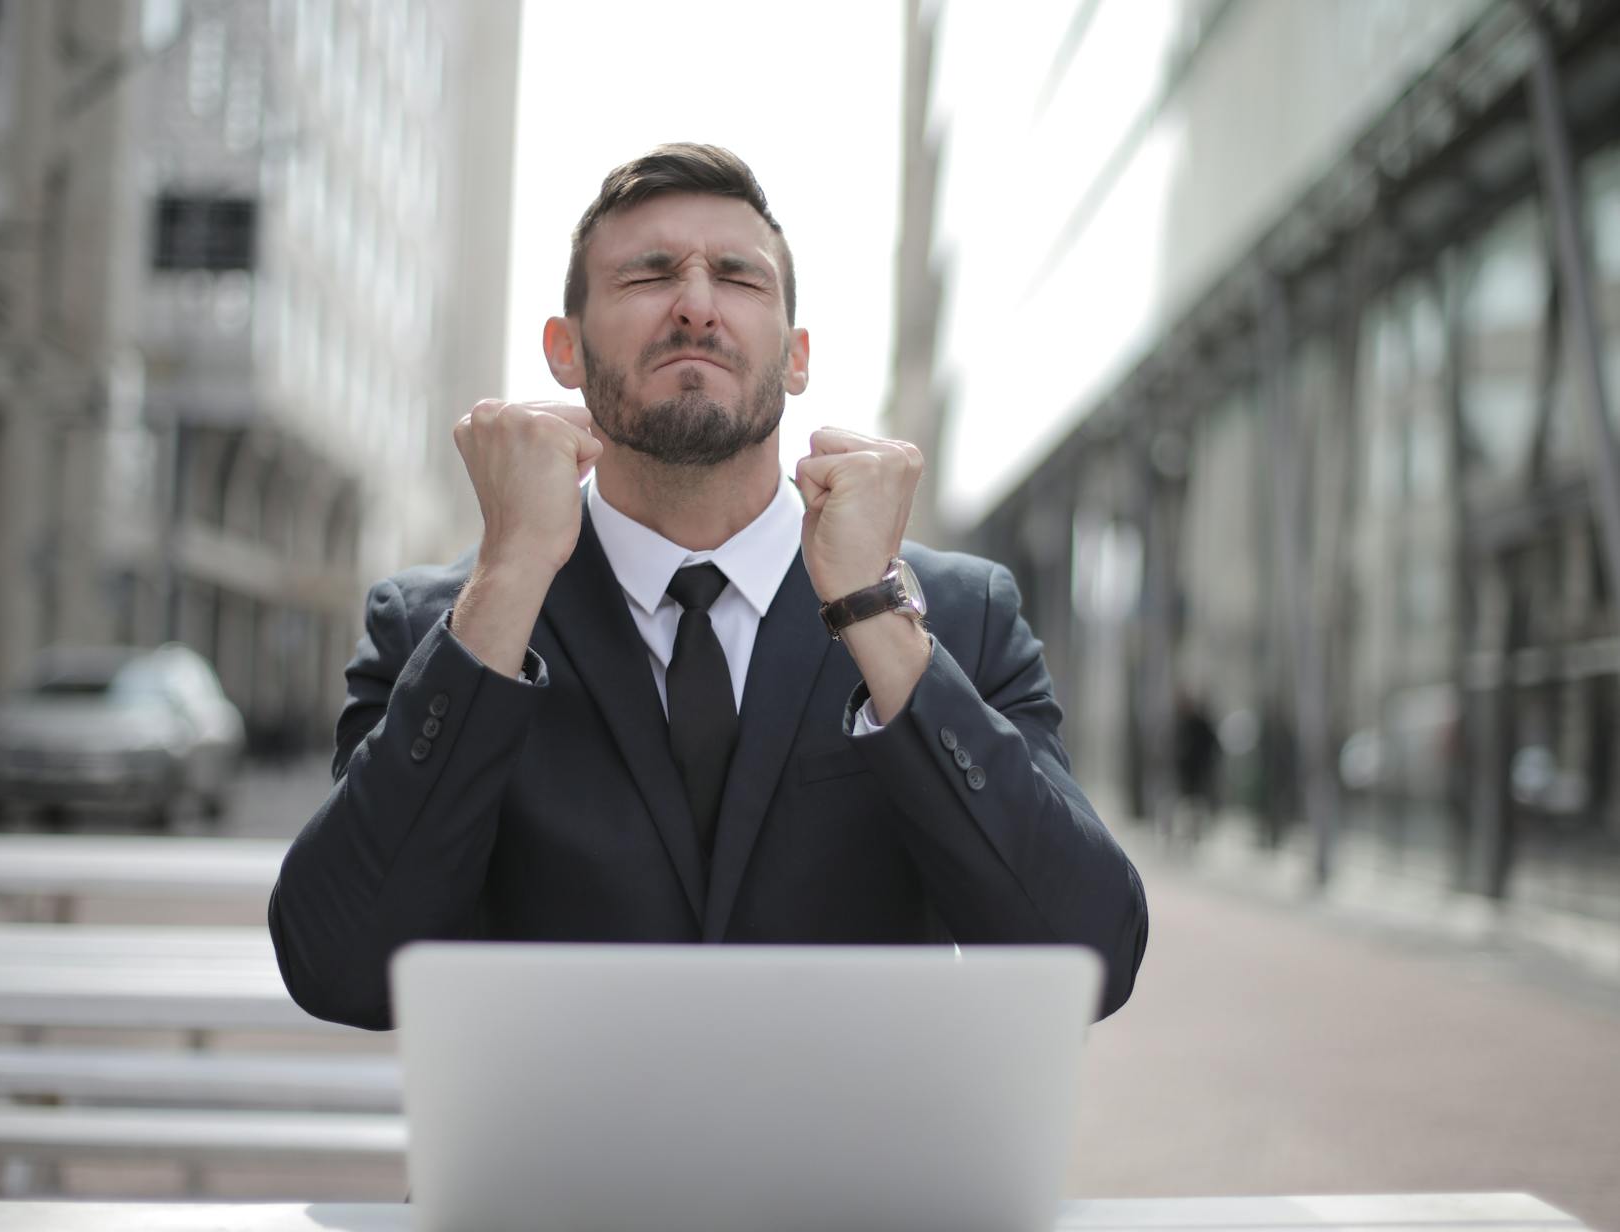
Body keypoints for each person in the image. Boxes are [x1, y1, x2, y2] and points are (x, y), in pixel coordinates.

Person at [269, 143, 1147, 1027]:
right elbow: (339, 966)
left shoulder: (957, 616)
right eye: (648, 275)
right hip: (548, 1170)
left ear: (797, 358)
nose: (696, 305)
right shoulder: (440, 626)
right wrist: (510, 575)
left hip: (860, 1169)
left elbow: (1087, 960)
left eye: (739, 278)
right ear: (563, 350)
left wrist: (872, 610)